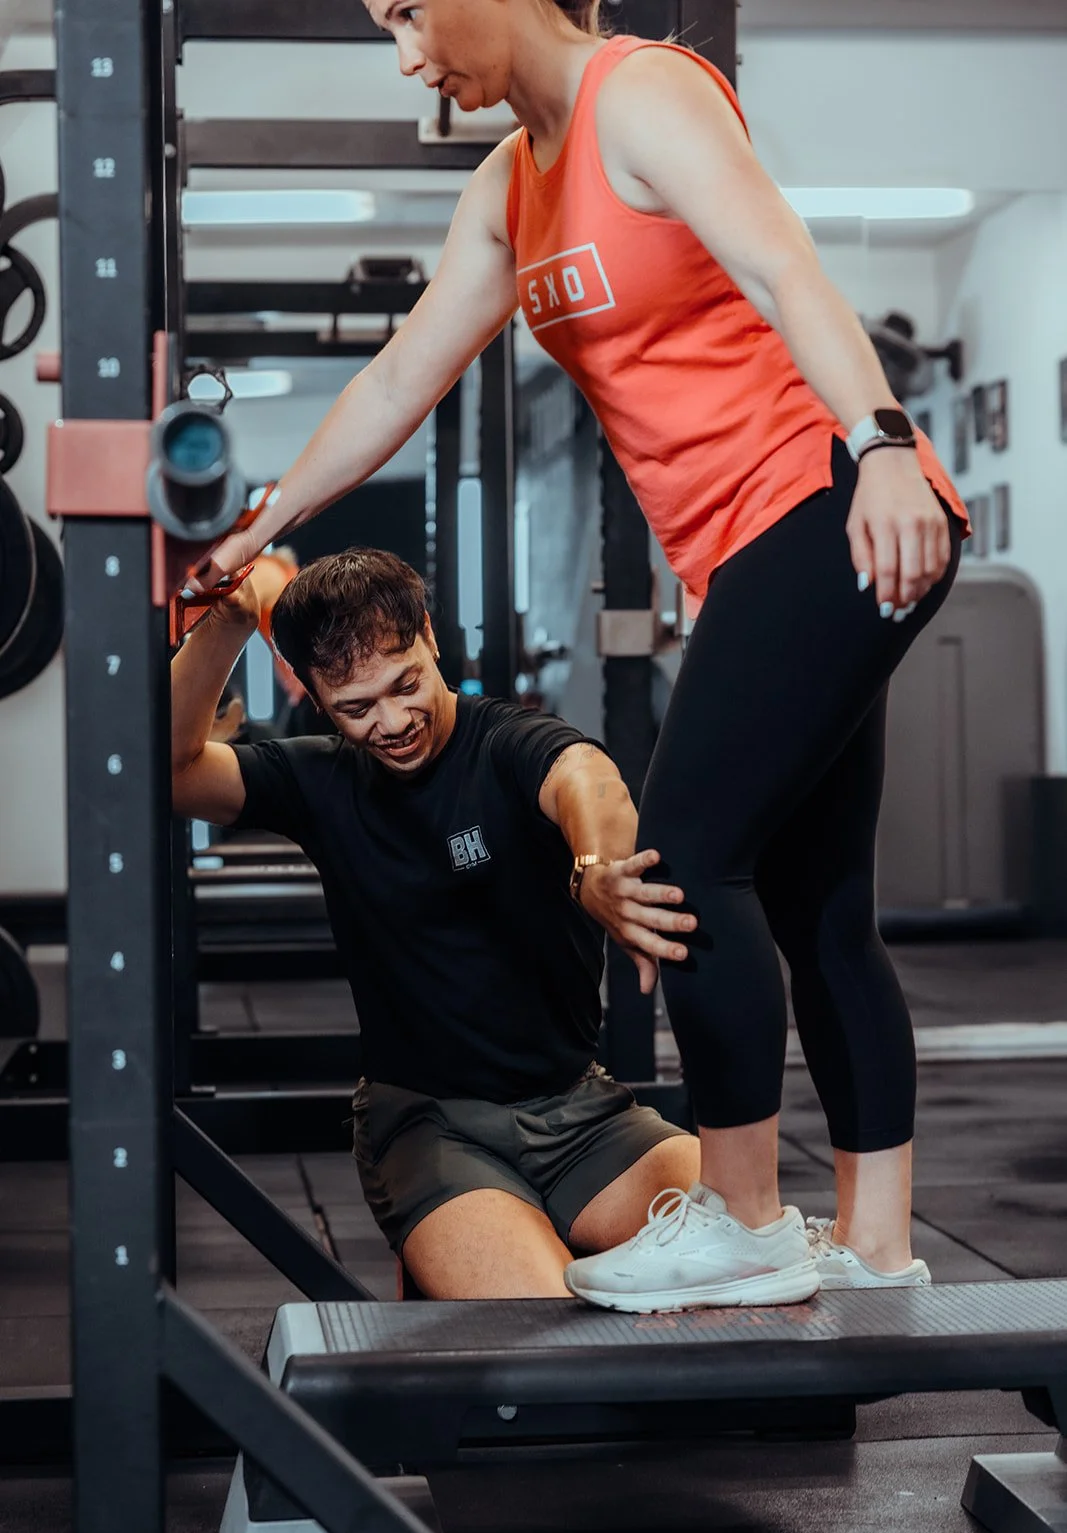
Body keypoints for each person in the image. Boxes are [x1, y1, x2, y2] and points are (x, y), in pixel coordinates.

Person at [188, 2, 970, 1312]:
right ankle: (880, 1248)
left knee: (680, 853)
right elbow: (399, 379)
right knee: (820, 903)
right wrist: (264, 521)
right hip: (744, 552)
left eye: (406, 13)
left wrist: (882, 442)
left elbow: (785, 270)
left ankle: (737, 1215)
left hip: (823, 504)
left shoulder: (644, 95)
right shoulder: (510, 188)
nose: (404, 58)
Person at [171, 548, 700, 1298]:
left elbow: (587, 777)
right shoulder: (316, 780)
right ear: (316, 697)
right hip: (427, 1125)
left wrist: (594, 868)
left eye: (405, 684)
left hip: (583, 1115)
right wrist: (227, 620)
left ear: (428, 635)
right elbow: (166, 767)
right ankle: (459, 1242)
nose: (392, 723)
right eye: (356, 707)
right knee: (540, 1328)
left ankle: (477, 1250)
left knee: (744, 1248)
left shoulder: (507, 742)